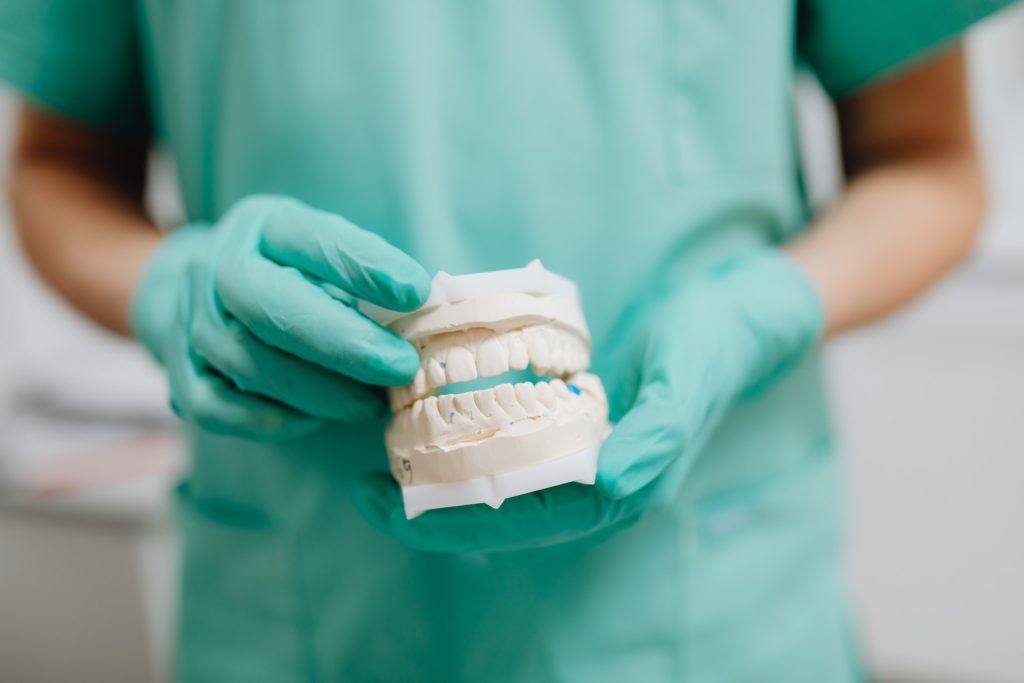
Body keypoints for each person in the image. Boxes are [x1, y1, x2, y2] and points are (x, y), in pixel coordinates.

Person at [0, 2, 1012, 680]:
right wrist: (167, 286)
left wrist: (770, 303)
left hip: (709, 609)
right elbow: (59, 161)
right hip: (303, 607)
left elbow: (927, 159)